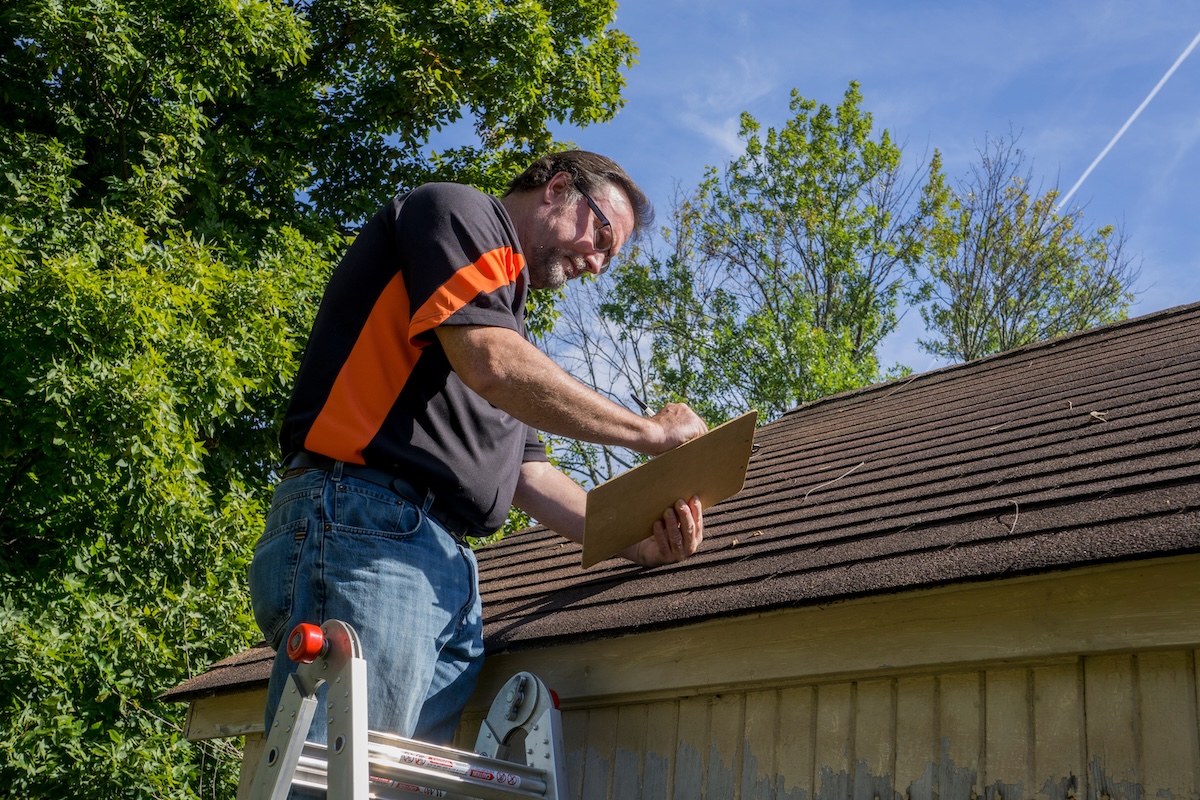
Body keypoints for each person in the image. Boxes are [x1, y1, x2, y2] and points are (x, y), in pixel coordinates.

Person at [248, 151, 708, 747]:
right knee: (346, 778)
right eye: (600, 235)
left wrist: (637, 544)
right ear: (559, 188)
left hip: (439, 565)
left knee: (391, 786)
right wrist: (650, 432)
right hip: (367, 528)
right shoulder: (459, 213)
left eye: (609, 257)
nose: (596, 263)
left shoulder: (503, 330)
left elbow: (527, 477)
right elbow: (492, 364)